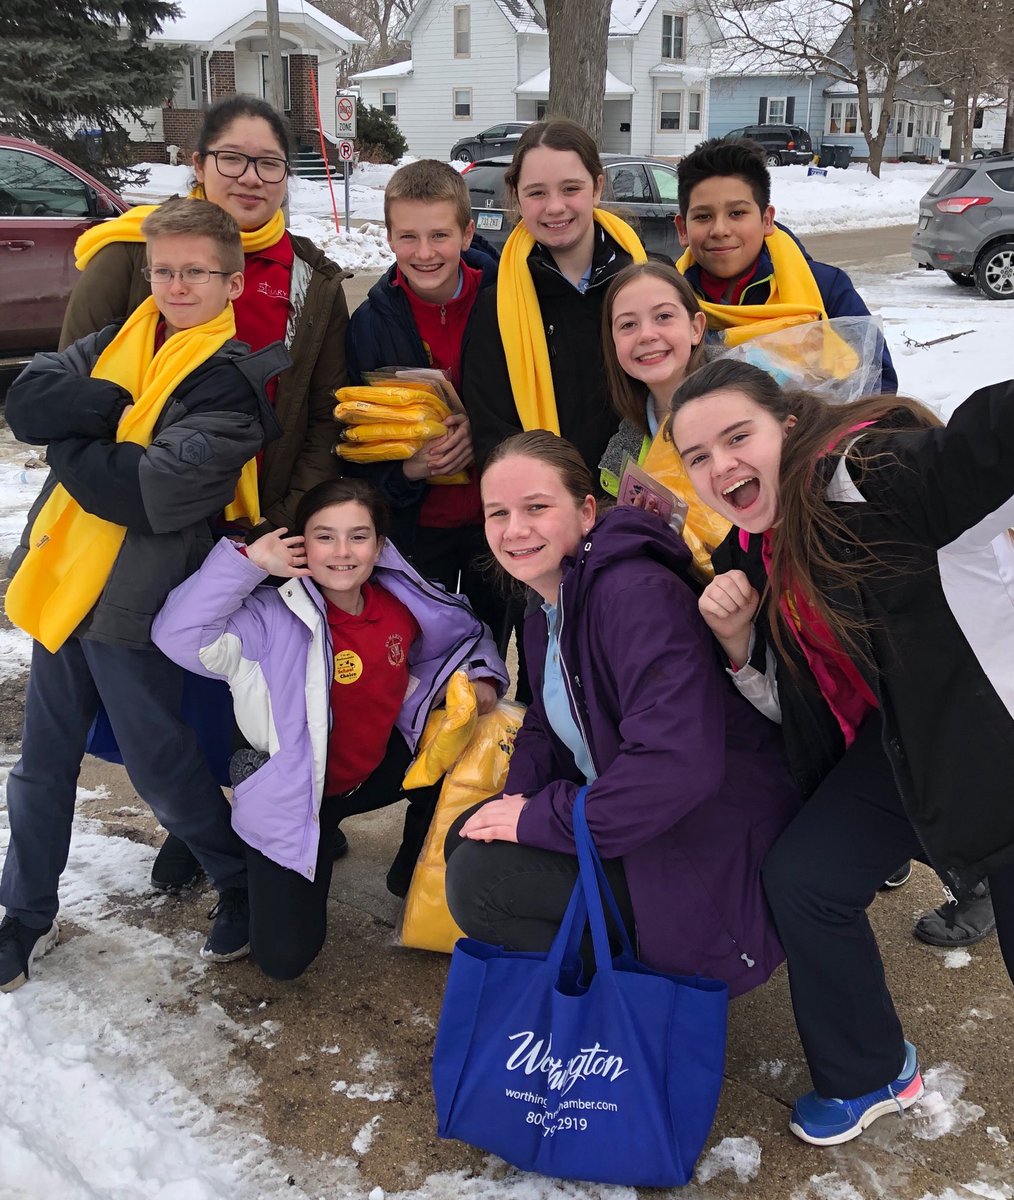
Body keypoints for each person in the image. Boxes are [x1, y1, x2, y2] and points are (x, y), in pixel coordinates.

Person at [666, 357, 1014, 1145]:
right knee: (806, 878)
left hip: (994, 736)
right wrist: (737, 638)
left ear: (786, 427)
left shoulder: (866, 472)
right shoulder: (755, 548)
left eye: (736, 437)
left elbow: (991, 440)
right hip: (902, 743)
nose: (720, 466)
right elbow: (791, 698)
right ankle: (869, 1072)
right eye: (697, 457)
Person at [61, 94, 354, 890]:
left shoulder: (312, 281)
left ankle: (260, 814)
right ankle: (195, 823)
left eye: (268, 162)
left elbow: (324, 412)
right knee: (168, 689)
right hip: (149, 521)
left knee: (248, 686)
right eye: (232, 157)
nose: (250, 177)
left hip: (258, 522)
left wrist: (287, 518)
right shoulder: (129, 256)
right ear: (199, 165)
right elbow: (75, 395)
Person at [0, 198, 289, 992]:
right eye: (164, 270)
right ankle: (24, 914)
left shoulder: (234, 382)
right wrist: (101, 415)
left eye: (196, 271)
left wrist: (70, 442)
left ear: (231, 282)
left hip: (139, 604)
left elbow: (152, 494)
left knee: (163, 768)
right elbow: (25, 402)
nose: (177, 284)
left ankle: (235, 878)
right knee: (41, 767)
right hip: (65, 589)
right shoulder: (117, 343)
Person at [442, 430, 801, 997]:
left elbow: (679, 768)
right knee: (471, 840)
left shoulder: (633, 595)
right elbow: (543, 723)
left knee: (483, 883)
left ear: (587, 512)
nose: (514, 530)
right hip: (641, 823)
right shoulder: (548, 604)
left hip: (705, 849)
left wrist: (543, 817)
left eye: (537, 507)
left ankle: (636, 1008)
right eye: (498, 514)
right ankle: (601, 989)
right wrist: (516, 805)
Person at [151, 478, 509, 978]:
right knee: (284, 959)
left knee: (464, 743)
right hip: (296, 798)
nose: (342, 552)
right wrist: (248, 563)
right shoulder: (268, 618)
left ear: (380, 546)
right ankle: (271, 859)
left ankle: (413, 873)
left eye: (358, 536)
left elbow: (461, 642)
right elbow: (177, 635)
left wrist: (479, 676)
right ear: (299, 545)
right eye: (324, 536)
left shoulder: (401, 607)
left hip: (373, 774)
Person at [345, 159, 501, 634]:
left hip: (495, 525)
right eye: (408, 237)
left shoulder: (506, 302)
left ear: (467, 234)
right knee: (421, 654)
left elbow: (531, 400)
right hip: (413, 529)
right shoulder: (369, 327)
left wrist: (483, 430)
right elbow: (352, 439)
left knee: (494, 643)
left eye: (440, 235)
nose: (425, 252)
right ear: (389, 238)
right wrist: (407, 472)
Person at [461, 119, 648, 476]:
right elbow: (494, 435)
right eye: (537, 193)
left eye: (570, 188)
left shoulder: (647, 284)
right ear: (516, 195)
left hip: (640, 506)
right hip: (547, 509)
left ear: (596, 188)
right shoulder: (498, 307)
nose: (555, 207)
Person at [674, 137, 898, 392]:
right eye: (703, 217)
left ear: (767, 219)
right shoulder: (669, 300)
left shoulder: (825, 289)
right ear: (683, 229)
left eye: (737, 213)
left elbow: (879, 386)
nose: (720, 230)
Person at [598, 260, 707, 495]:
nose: (646, 335)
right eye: (628, 324)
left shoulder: (755, 403)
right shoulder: (624, 458)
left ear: (695, 328)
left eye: (663, 316)